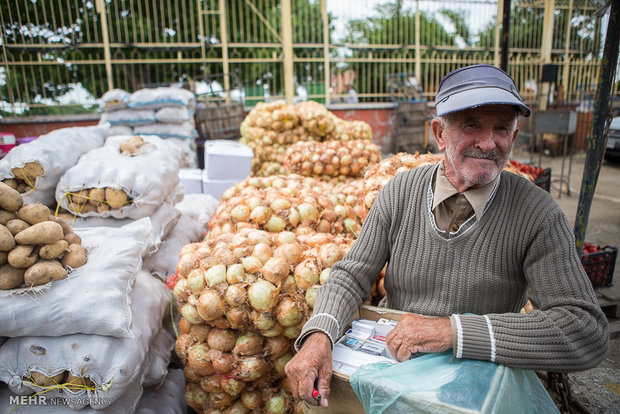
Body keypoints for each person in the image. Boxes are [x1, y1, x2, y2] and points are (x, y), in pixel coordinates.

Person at [285, 64, 609, 408]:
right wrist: (320, 334)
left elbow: (585, 329)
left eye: (501, 128)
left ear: (513, 138)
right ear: (440, 133)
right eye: (471, 125)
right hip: (390, 365)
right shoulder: (400, 191)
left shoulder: (537, 213)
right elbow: (351, 274)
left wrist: (451, 332)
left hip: (473, 383)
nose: (488, 143)